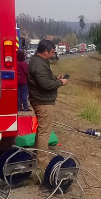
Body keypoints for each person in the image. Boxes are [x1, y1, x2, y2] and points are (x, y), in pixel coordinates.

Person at [28, 39, 69, 170]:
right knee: (44, 132)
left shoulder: (39, 62)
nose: (53, 54)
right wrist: (60, 83)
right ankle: (42, 161)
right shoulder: (38, 64)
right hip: (43, 101)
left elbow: (44, 79)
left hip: (42, 100)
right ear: (45, 51)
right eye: (52, 52)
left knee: (42, 131)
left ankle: (36, 157)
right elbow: (45, 84)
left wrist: (55, 78)